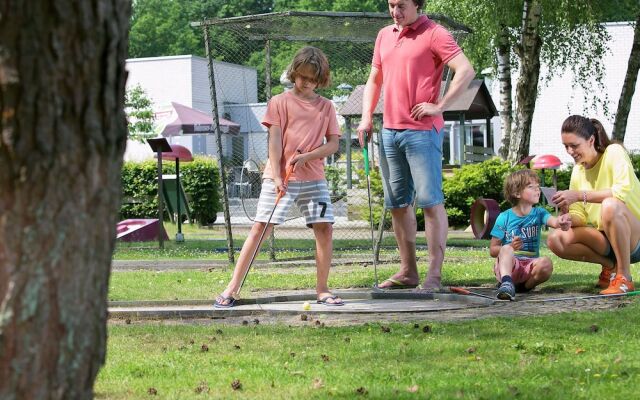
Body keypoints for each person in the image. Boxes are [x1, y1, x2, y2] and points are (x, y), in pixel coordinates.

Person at [357, 0, 475, 290]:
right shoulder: (385, 35)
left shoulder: (435, 33)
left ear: (418, 4)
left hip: (422, 132)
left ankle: (434, 275)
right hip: (389, 132)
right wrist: (365, 118)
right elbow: (375, 79)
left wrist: (440, 105)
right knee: (397, 204)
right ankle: (408, 271)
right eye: (391, 5)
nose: (395, 12)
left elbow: (465, 70)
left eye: (401, 6)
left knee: (430, 203)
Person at [215, 46, 343, 307]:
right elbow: (274, 141)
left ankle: (323, 289)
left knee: (324, 228)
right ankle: (231, 289)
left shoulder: (326, 106)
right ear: (294, 73)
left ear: (321, 80)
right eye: (303, 76)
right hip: (279, 177)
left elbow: (332, 145)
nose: (307, 83)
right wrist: (276, 176)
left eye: (313, 79)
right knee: (261, 227)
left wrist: (307, 156)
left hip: (314, 178)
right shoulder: (279, 102)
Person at [548, 115, 640, 294]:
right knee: (556, 238)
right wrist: (567, 216)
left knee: (610, 205)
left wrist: (579, 195)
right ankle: (610, 267)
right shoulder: (578, 171)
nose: (569, 151)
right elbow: (581, 217)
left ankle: (624, 278)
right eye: (566, 146)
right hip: (607, 239)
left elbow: (622, 192)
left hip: (635, 238)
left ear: (591, 140)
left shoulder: (614, 152)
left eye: (574, 145)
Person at [490, 170, 571, 300]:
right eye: (531, 187)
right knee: (506, 248)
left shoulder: (539, 213)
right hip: (510, 265)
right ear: (516, 193)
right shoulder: (504, 217)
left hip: (530, 266)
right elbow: (493, 250)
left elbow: (555, 222)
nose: (537, 190)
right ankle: (506, 282)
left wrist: (563, 217)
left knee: (546, 263)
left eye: (538, 187)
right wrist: (510, 246)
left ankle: (523, 288)